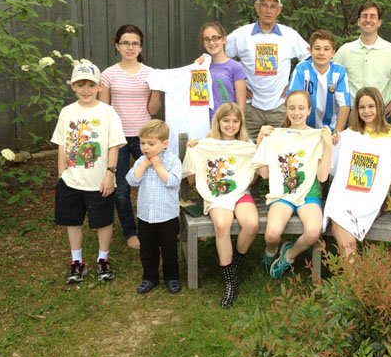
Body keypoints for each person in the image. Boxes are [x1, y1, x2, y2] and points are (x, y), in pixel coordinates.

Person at [52, 62, 126, 284]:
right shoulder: (67, 112)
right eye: (81, 85)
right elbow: (62, 144)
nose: (86, 90)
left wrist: (110, 173)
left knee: (103, 221)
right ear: (73, 86)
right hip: (72, 180)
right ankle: (77, 262)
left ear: (99, 87)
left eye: (90, 85)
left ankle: (103, 258)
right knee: (72, 221)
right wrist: (61, 174)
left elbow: (114, 144)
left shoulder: (107, 112)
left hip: (99, 180)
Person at [182, 103, 259, 307]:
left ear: (240, 123)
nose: (230, 125)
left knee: (251, 224)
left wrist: (260, 149)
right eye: (226, 120)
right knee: (222, 225)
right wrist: (193, 150)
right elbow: (190, 180)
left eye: (235, 121)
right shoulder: (206, 144)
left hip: (240, 193)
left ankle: (235, 264)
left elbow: (251, 179)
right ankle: (230, 281)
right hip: (217, 196)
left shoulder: (247, 145)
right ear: (218, 121)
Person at [253, 91, 333, 279]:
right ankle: (271, 251)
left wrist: (328, 146)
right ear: (286, 110)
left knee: (314, 232)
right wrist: (260, 141)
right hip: (283, 193)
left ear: (309, 110)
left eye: (301, 108)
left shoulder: (316, 136)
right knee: (271, 234)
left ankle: (288, 256)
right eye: (292, 108)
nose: (296, 112)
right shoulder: (275, 135)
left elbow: (322, 178)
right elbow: (264, 174)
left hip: (308, 193)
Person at [100, 25, 161, 250]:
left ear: (140, 46)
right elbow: (104, 109)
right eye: (125, 43)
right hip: (119, 139)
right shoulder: (108, 74)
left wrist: (156, 88)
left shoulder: (150, 73)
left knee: (155, 181)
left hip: (145, 137)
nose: (130, 47)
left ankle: (156, 225)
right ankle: (130, 232)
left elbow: (153, 109)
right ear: (117, 46)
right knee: (123, 188)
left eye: (134, 43)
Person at [324, 87, 391, 258]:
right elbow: (331, 168)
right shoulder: (348, 135)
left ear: (380, 107)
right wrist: (331, 144)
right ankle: (355, 274)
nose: (366, 111)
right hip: (347, 194)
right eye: (362, 107)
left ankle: (354, 276)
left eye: (371, 106)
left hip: (375, 198)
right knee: (337, 213)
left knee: (338, 217)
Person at [225, 0, 310, 140]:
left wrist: (294, 85)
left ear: (279, 10)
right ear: (257, 7)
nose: (268, 10)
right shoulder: (242, 35)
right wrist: (237, 86)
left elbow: (310, 59)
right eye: (264, 5)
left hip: (280, 108)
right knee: (248, 151)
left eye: (273, 6)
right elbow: (221, 58)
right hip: (250, 108)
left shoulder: (289, 35)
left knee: (280, 153)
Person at [126, 120, 182, 294]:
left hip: (167, 216)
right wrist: (144, 165)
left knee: (169, 248)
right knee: (147, 250)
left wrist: (157, 166)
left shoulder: (172, 160)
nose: (146, 148)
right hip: (146, 216)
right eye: (143, 143)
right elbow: (131, 180)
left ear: (164, 144)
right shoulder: (141, 161)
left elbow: (173, 182)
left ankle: (171, 277)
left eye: (151, 144)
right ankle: (150, 277)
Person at [335, 1, 391, 110]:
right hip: (351, 116)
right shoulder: (345, 51)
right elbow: (331, 79)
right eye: (364, 16)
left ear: (379, 22)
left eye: (373, 16)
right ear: (358, 21)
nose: (368, 20)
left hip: (380, 116)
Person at [288, 29, 351, 133]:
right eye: (317, 48)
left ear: (333, 53)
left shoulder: (339, 72)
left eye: (326, 49)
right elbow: (293, 100)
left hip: (330, 129)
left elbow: (344, 105)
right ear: (310, 51)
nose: (321, 53)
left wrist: (337, 132)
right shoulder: (301, 69)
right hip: (303, 129)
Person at [196, 21, 247, 121]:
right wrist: (195, 69)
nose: (211, 43)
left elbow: (241, 106)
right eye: (207, 39)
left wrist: (237, 125)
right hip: (205, 123)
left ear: (223, 40)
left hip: (227, 124)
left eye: (215, 38)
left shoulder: (235, 67)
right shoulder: (201, 67)